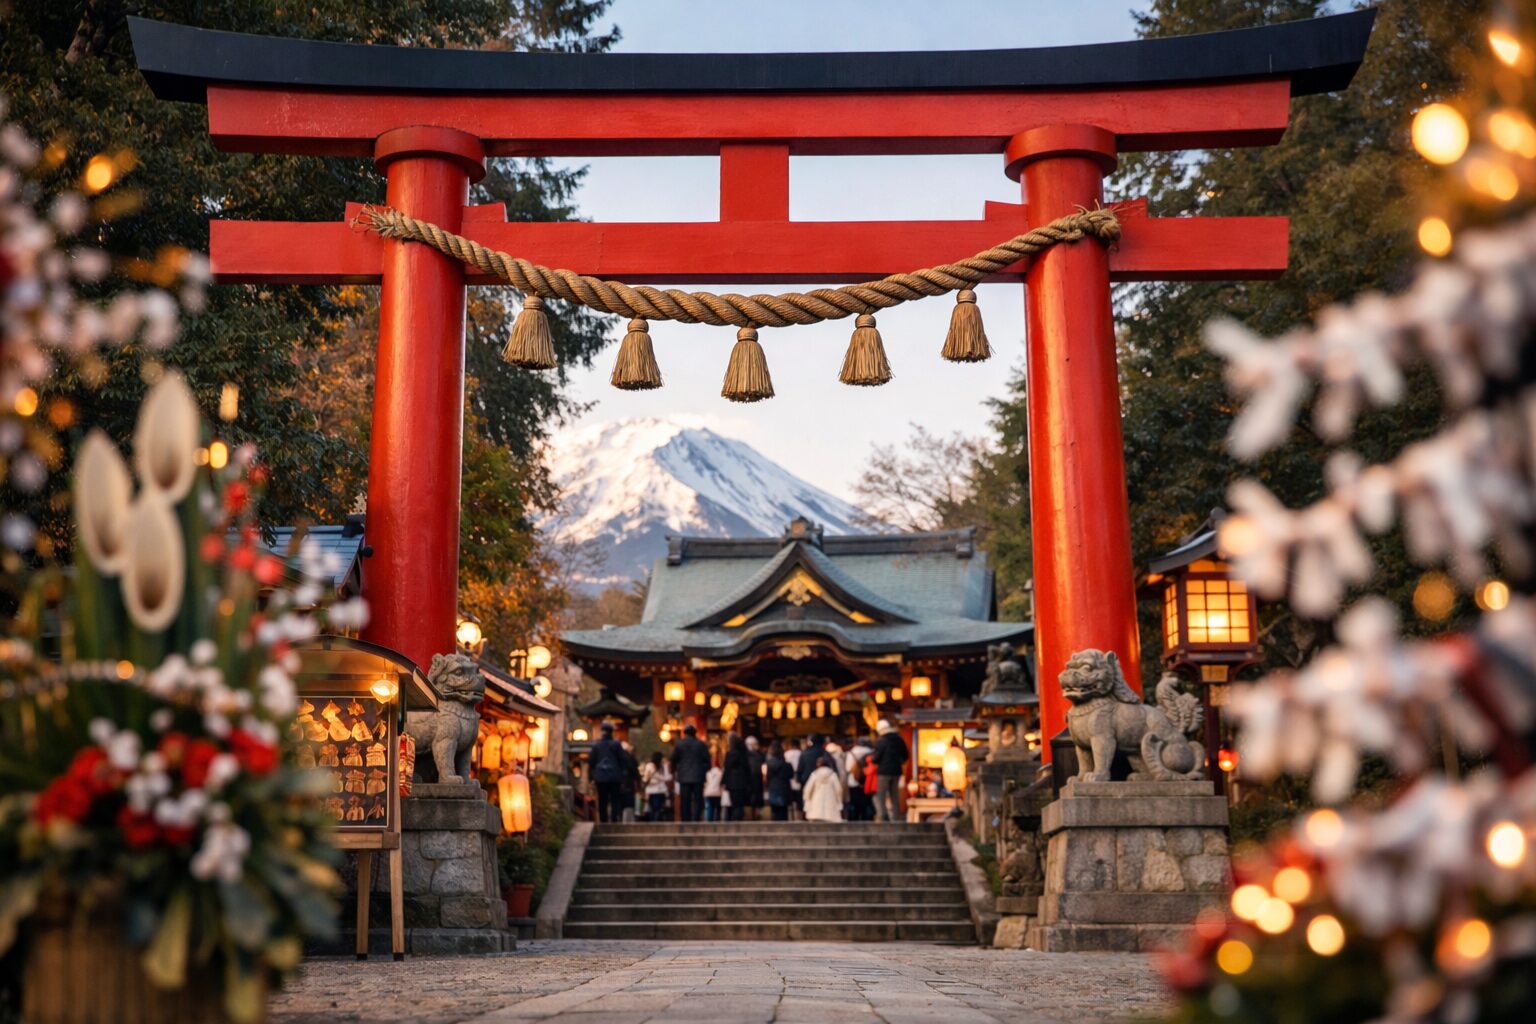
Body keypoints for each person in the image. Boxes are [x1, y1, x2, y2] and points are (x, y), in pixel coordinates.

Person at [669, 724, 710, 822]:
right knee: (698, 799)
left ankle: (685, 819)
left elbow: (673, 760)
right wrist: (703, 770)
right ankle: (696, 818)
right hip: (698, 776)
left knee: (685, 800)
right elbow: (707, 761)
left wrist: (675, 771)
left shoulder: (679, 744)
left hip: (684, 776)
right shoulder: (701, 744)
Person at [872, 719, 909, 822]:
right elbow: (906, 755)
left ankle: (884, 816)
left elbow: (875, 758)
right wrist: (898, 763)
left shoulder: (881, 741)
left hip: (883, 772)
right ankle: (896, 817)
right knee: (894, 795)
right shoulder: (899, 739)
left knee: (881, 795)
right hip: (896, 771)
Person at [589, 723, 625, 824]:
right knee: (615, 798)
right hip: (615, 776)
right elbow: (622, 760)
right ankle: (614, 818)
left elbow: (591, 761)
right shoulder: (617, 744)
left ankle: (603, 820)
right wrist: (622, 775)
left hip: (601, 777)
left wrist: (591, 776)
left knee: (602, 799)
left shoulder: (596, 745)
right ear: (611, 732)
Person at [801, 754, 843, 822]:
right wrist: (839, 800)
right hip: (830, 801)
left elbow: (808, 789)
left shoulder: (815, 774)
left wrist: (807, 798)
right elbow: (838, 789)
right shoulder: (832, 774)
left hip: (816, 801)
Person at [721, 733, 752, 821]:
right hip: (742, 782)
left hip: (731, 782)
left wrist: (723, 782)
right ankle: (738, 819)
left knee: (734, 803)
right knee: (739, 804)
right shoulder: (743, 754)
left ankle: (734, 820)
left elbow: (727, 769)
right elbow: (747, 769)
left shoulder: (730, 754)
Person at [764, 740, 794, 821]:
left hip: (773, 788)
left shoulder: (769, 764)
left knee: (774, 811)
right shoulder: (787, 765)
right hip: (784, 788)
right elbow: (791, 775)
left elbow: (767, 778)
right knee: (783, 812)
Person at [847, 735, 874, 821]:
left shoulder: (852, 752)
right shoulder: (872, 752)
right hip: (868, 780)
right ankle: (867, 818)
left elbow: (847, 768)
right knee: (867, 802)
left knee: (854, 803)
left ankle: (854, 819)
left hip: (853, 781)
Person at [641, 751, 672, 821]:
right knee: (658, 808)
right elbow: (667, 778)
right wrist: (660, 778)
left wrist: (655, 776)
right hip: (660, 790)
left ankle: (653, 822)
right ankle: (656, 822)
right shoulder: (663, 766)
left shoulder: (649, 765)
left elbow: (645, 778)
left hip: (651, 790)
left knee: (652, 808)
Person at [745, 736, 766, 820]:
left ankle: (751, 814)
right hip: (757, 780)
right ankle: (756, 814)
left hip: (750, 781)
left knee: (751, 798)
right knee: (757, 797)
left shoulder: (744, 756)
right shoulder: (760, 756)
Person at [619, 740, 640, 822]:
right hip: (629, 784)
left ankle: (620, 820)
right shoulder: (630, 757)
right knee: (629, 804)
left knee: (620, 804)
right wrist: (638, 783)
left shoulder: (617, 757)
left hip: (619, 784)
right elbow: (635, 771)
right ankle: (630, 820)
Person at [783, 738, 803, 820]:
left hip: (789, 778)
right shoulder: (801, 753)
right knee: (799, 799)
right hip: (799, 777)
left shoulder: (786, 754)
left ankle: (791, 817)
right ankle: (799, 818)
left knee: (791, 800)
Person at [704, 757, 723, 822]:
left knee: (710, 808)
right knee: (717, 807)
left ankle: (710, 820)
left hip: (709, 792)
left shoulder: (708, 772)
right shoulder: (720, 772)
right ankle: (717, 819)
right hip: (717, 792)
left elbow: (706, 782)